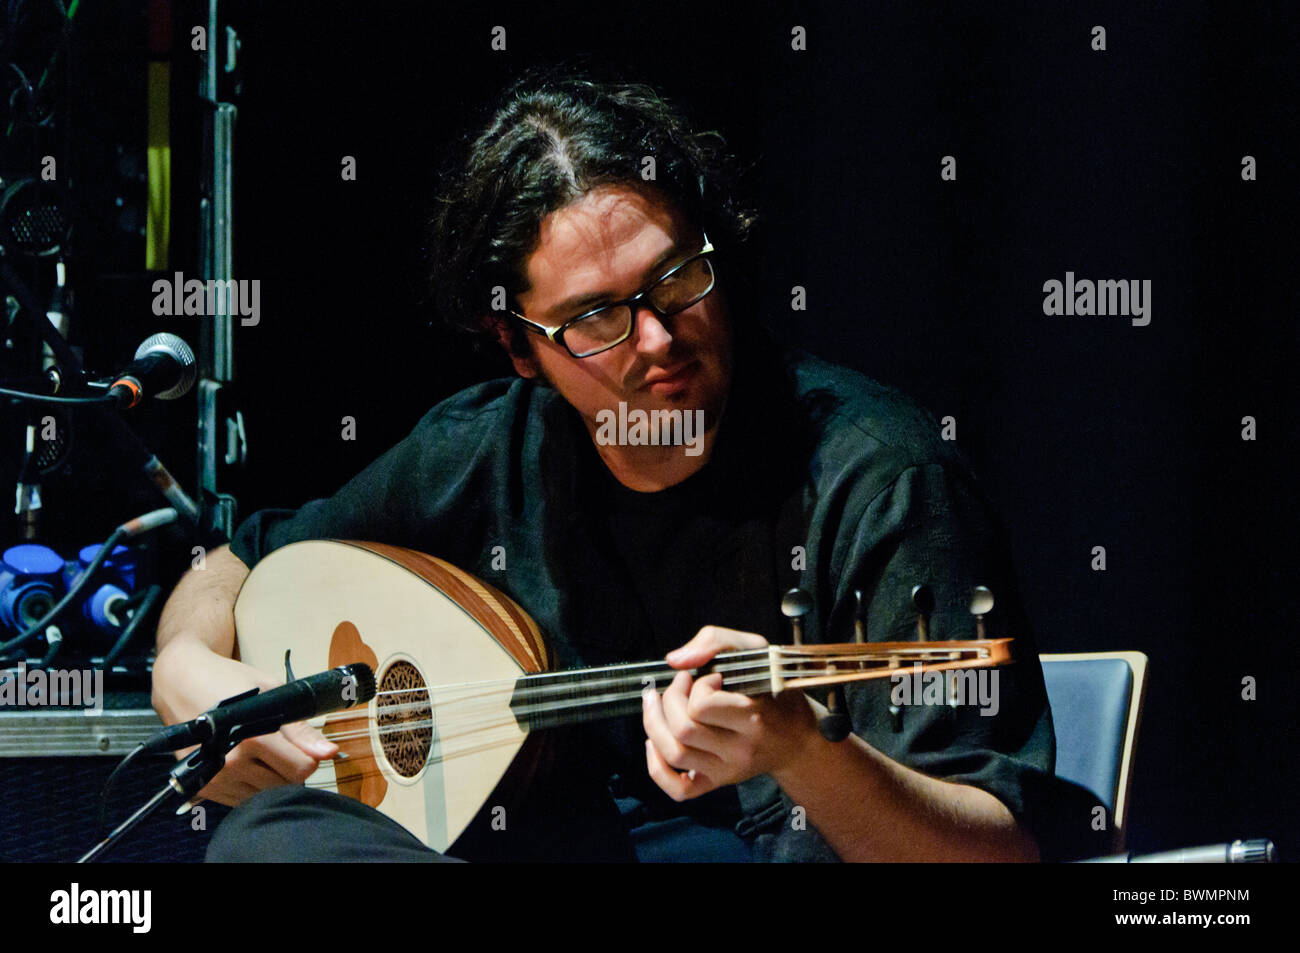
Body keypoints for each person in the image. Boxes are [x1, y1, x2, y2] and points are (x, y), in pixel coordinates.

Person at [151, 72, 1086, 862]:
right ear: (521, 347)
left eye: (677, 278)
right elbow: (231, 561)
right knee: (271, 837)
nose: (659, 337)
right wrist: (184, 660)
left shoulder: (880, 478)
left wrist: (805, 749)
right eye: (597, 317)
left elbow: (1000, 848)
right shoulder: (482, 449)